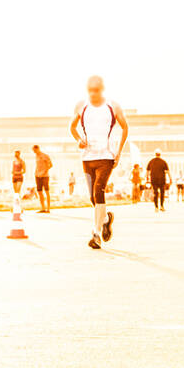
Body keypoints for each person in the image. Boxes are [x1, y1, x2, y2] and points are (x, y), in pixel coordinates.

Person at [70, 75, 129, 249]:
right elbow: (72, 127)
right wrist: (79, 140)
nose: (93, 94)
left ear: (102, 89)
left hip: (106, 157)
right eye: (90, 90)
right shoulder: (82, 106)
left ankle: (95, 234)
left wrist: (119, 152)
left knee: (99, 190)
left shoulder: (113, 106)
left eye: (96, 90)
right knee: (92, 197)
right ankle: (105, 220)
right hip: (88, 158)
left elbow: (125, 127)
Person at [32, 144, 53, 213]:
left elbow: (50, 165)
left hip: (45, 176)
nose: (34, 152)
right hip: (37, 176)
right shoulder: (36, 156)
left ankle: (48, 208)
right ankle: (43, 208)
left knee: (46, 191)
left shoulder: (45, 156)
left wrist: (44, 172)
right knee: (39, 192)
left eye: (34, 150)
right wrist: (36, 172)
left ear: (37, 149)